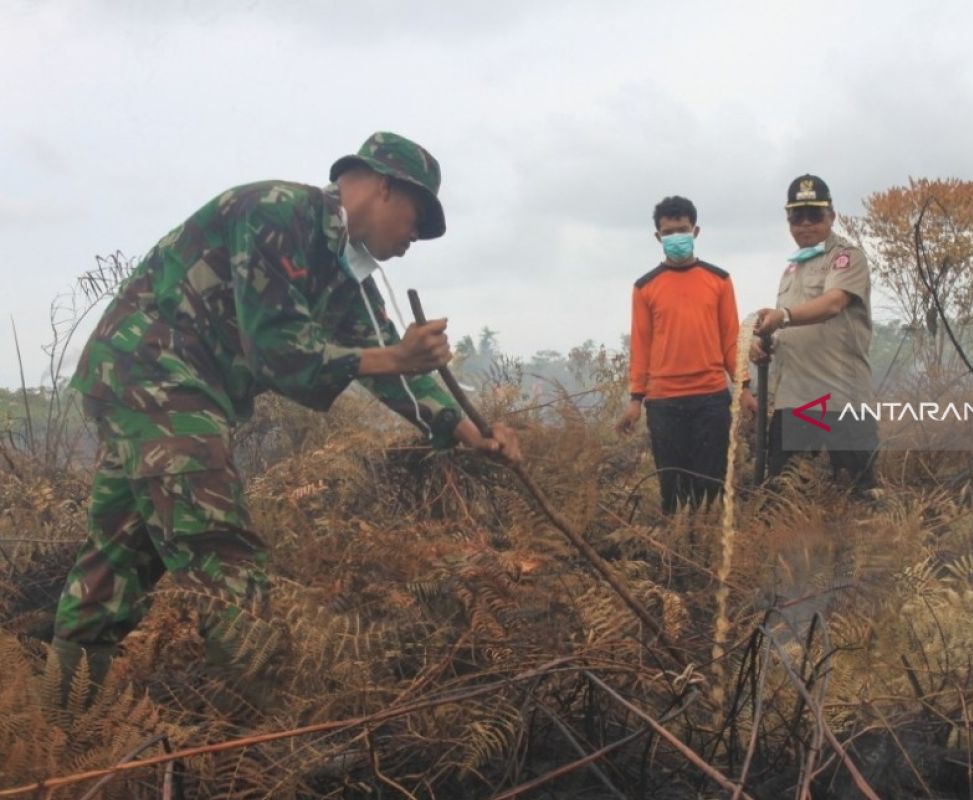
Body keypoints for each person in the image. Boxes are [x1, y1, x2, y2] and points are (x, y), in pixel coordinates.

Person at [52, 131, 521, 694]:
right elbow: (278, 353)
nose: (415, 238)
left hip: (166, 391)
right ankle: (270, 733)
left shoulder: (345, 273)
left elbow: (393, 370)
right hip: (152, 376)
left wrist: (472, 431)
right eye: (418, 219)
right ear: (384, 187)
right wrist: (393, 355)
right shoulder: (276, 213)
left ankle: (59, 724)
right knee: (219, 546)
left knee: (119, 557)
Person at [617, 196, 755, 514]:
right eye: (668, 232)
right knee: (673, 490)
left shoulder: (719, 280)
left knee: (710, 489)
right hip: (664, 402)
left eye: (682, 229)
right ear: (658, 237)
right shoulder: (645, 287)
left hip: (711, 399)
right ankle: (677, 557)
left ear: (695, 231)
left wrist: (744, 387)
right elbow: (641, 345)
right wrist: (635, 400)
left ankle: (707, 554)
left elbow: (730, 339)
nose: (675, 237)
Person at [751, 174, 878, 493]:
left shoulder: (846, 257)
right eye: (797, 216)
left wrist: (784, 316)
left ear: (831, 216)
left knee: (856, 494)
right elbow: (789, 329)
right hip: (795, 400)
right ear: (788, 220)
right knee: (782, 497)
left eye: (814, 215)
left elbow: (833, 303)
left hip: (840, 398)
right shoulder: (792, 268)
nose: (805, 224)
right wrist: (765, 341)